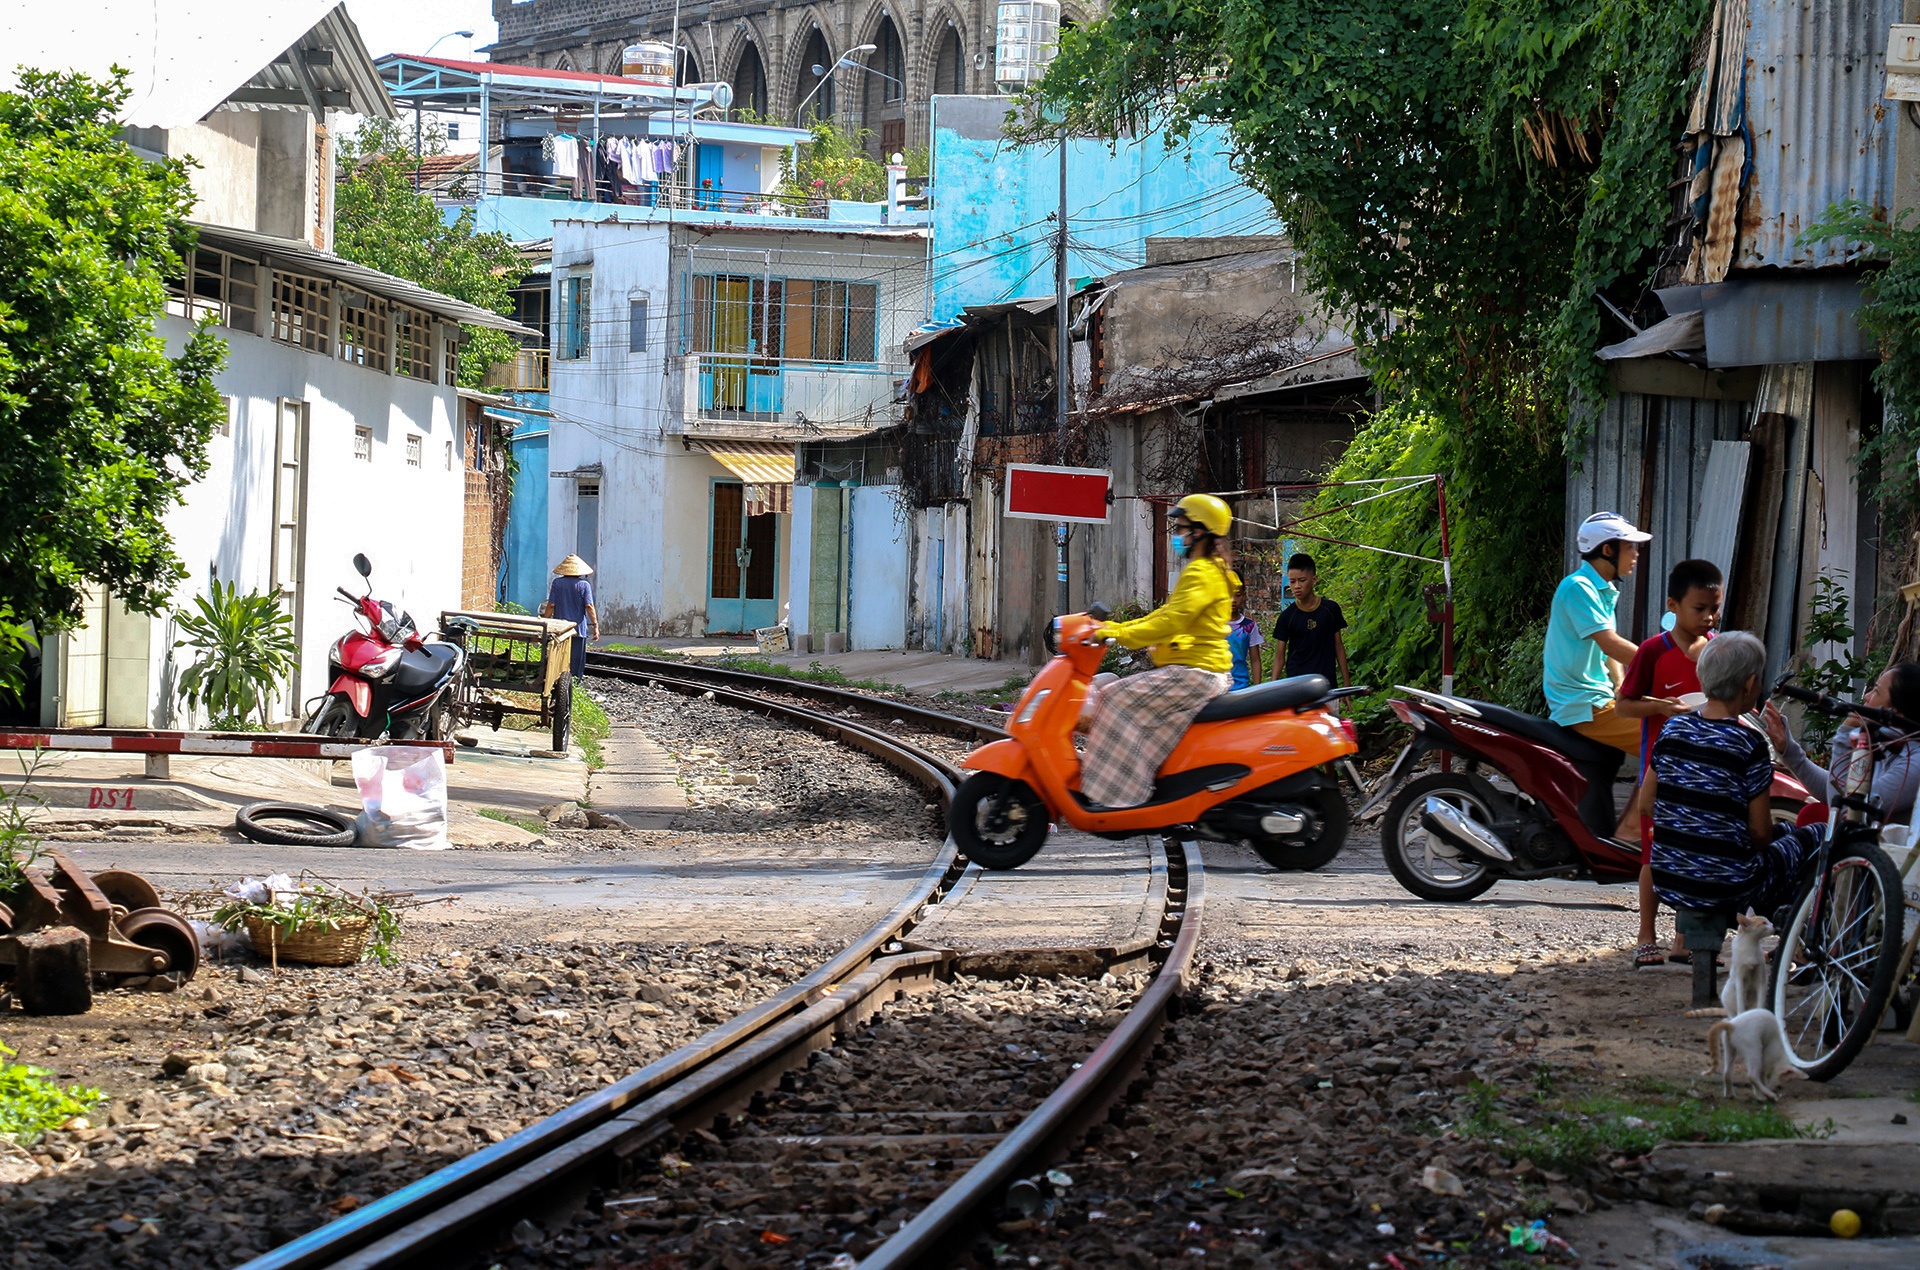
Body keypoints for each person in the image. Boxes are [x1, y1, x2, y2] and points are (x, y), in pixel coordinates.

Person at [1631, 632, 1821, 920]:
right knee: (1817, 833)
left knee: (1787, 833)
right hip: (1730, 887)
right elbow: (1759, 834)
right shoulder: (1748, 743)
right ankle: (1797, 935)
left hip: (1669, 880)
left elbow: (1646, 805)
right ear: (1748, 684)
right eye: (1758, 677)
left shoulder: (1672, 729)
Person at [1083, 494, 1239, 807]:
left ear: (1200, 532)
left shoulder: (1202, 573)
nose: (1177, 537)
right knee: (1110, 688)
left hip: (1196, 674)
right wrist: (1116, 629)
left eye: (1182, 529)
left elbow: (1171, 621)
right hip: (1196, 671)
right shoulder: (1208, 569)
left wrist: (1117, 633)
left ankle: (1123, 795)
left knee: (1113, 697)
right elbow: (1165, 616)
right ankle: (1137, 782)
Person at [1614, 558, 1722, 969]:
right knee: (1654, 855)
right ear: (1673, 605)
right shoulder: (1652, 651)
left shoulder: (1719, 650)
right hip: (1661, 772)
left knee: (1696, 853)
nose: (1709, 617)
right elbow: (1624, 706)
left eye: (1715, 608)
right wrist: (1661, 707)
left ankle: (1683, 940)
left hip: (1708, 770)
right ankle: (1646, 936)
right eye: (1700, 608)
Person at [1543, 511, 1650, 751]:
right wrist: (1660, 661)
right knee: (1670, 735)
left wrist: (1621, 686)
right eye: (1630, 547)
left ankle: (1645, 790)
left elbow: (1607, 650)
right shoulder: (1579, 587)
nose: (1636, 553)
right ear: (1608, 551)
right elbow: (1610, 644)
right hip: (1583, 706)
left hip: (1598, 700)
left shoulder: (1600, 589)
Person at [1762, 662, 1920, 824]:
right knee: (1811, 815)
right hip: (1860, 841)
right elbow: (1835, 788)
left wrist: (1845, 733)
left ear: (1895, 713)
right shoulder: (1885, 743)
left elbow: (1850, 811)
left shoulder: (1915, 763)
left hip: (1879, 847)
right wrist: (1788, 749)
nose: (1866, 697)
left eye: (1876, 691)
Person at [1272, 554, 1348, 685]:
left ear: (1314, 579)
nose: (1296, 586)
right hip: (1297, 686)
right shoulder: (1287, 617)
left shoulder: (1330, 610)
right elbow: (1280, 657)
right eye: (1292, 581)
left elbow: (1339, 647)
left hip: (1326, 684)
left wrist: (1347, 685)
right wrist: (1270, 689)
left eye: (1302, 580)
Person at [540, 554, 599, 679]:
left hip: (560, 630)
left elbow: (551, 605)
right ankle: (575, 683)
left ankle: (558, 680)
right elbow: (589, 606)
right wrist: (595, 625)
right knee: (576, 661)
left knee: (559, 658)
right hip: (578, 629)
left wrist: (545, 621)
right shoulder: (584, 585)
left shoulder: (557, 583)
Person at [1227, 590, 1266, 690]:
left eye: (1237, 595)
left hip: (1240, 685)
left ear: (1244, 596)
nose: (1233, 600)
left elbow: (1255, 660)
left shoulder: (1249, 626)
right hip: (1216, 686)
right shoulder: (1213, 625)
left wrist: (1257, 688)